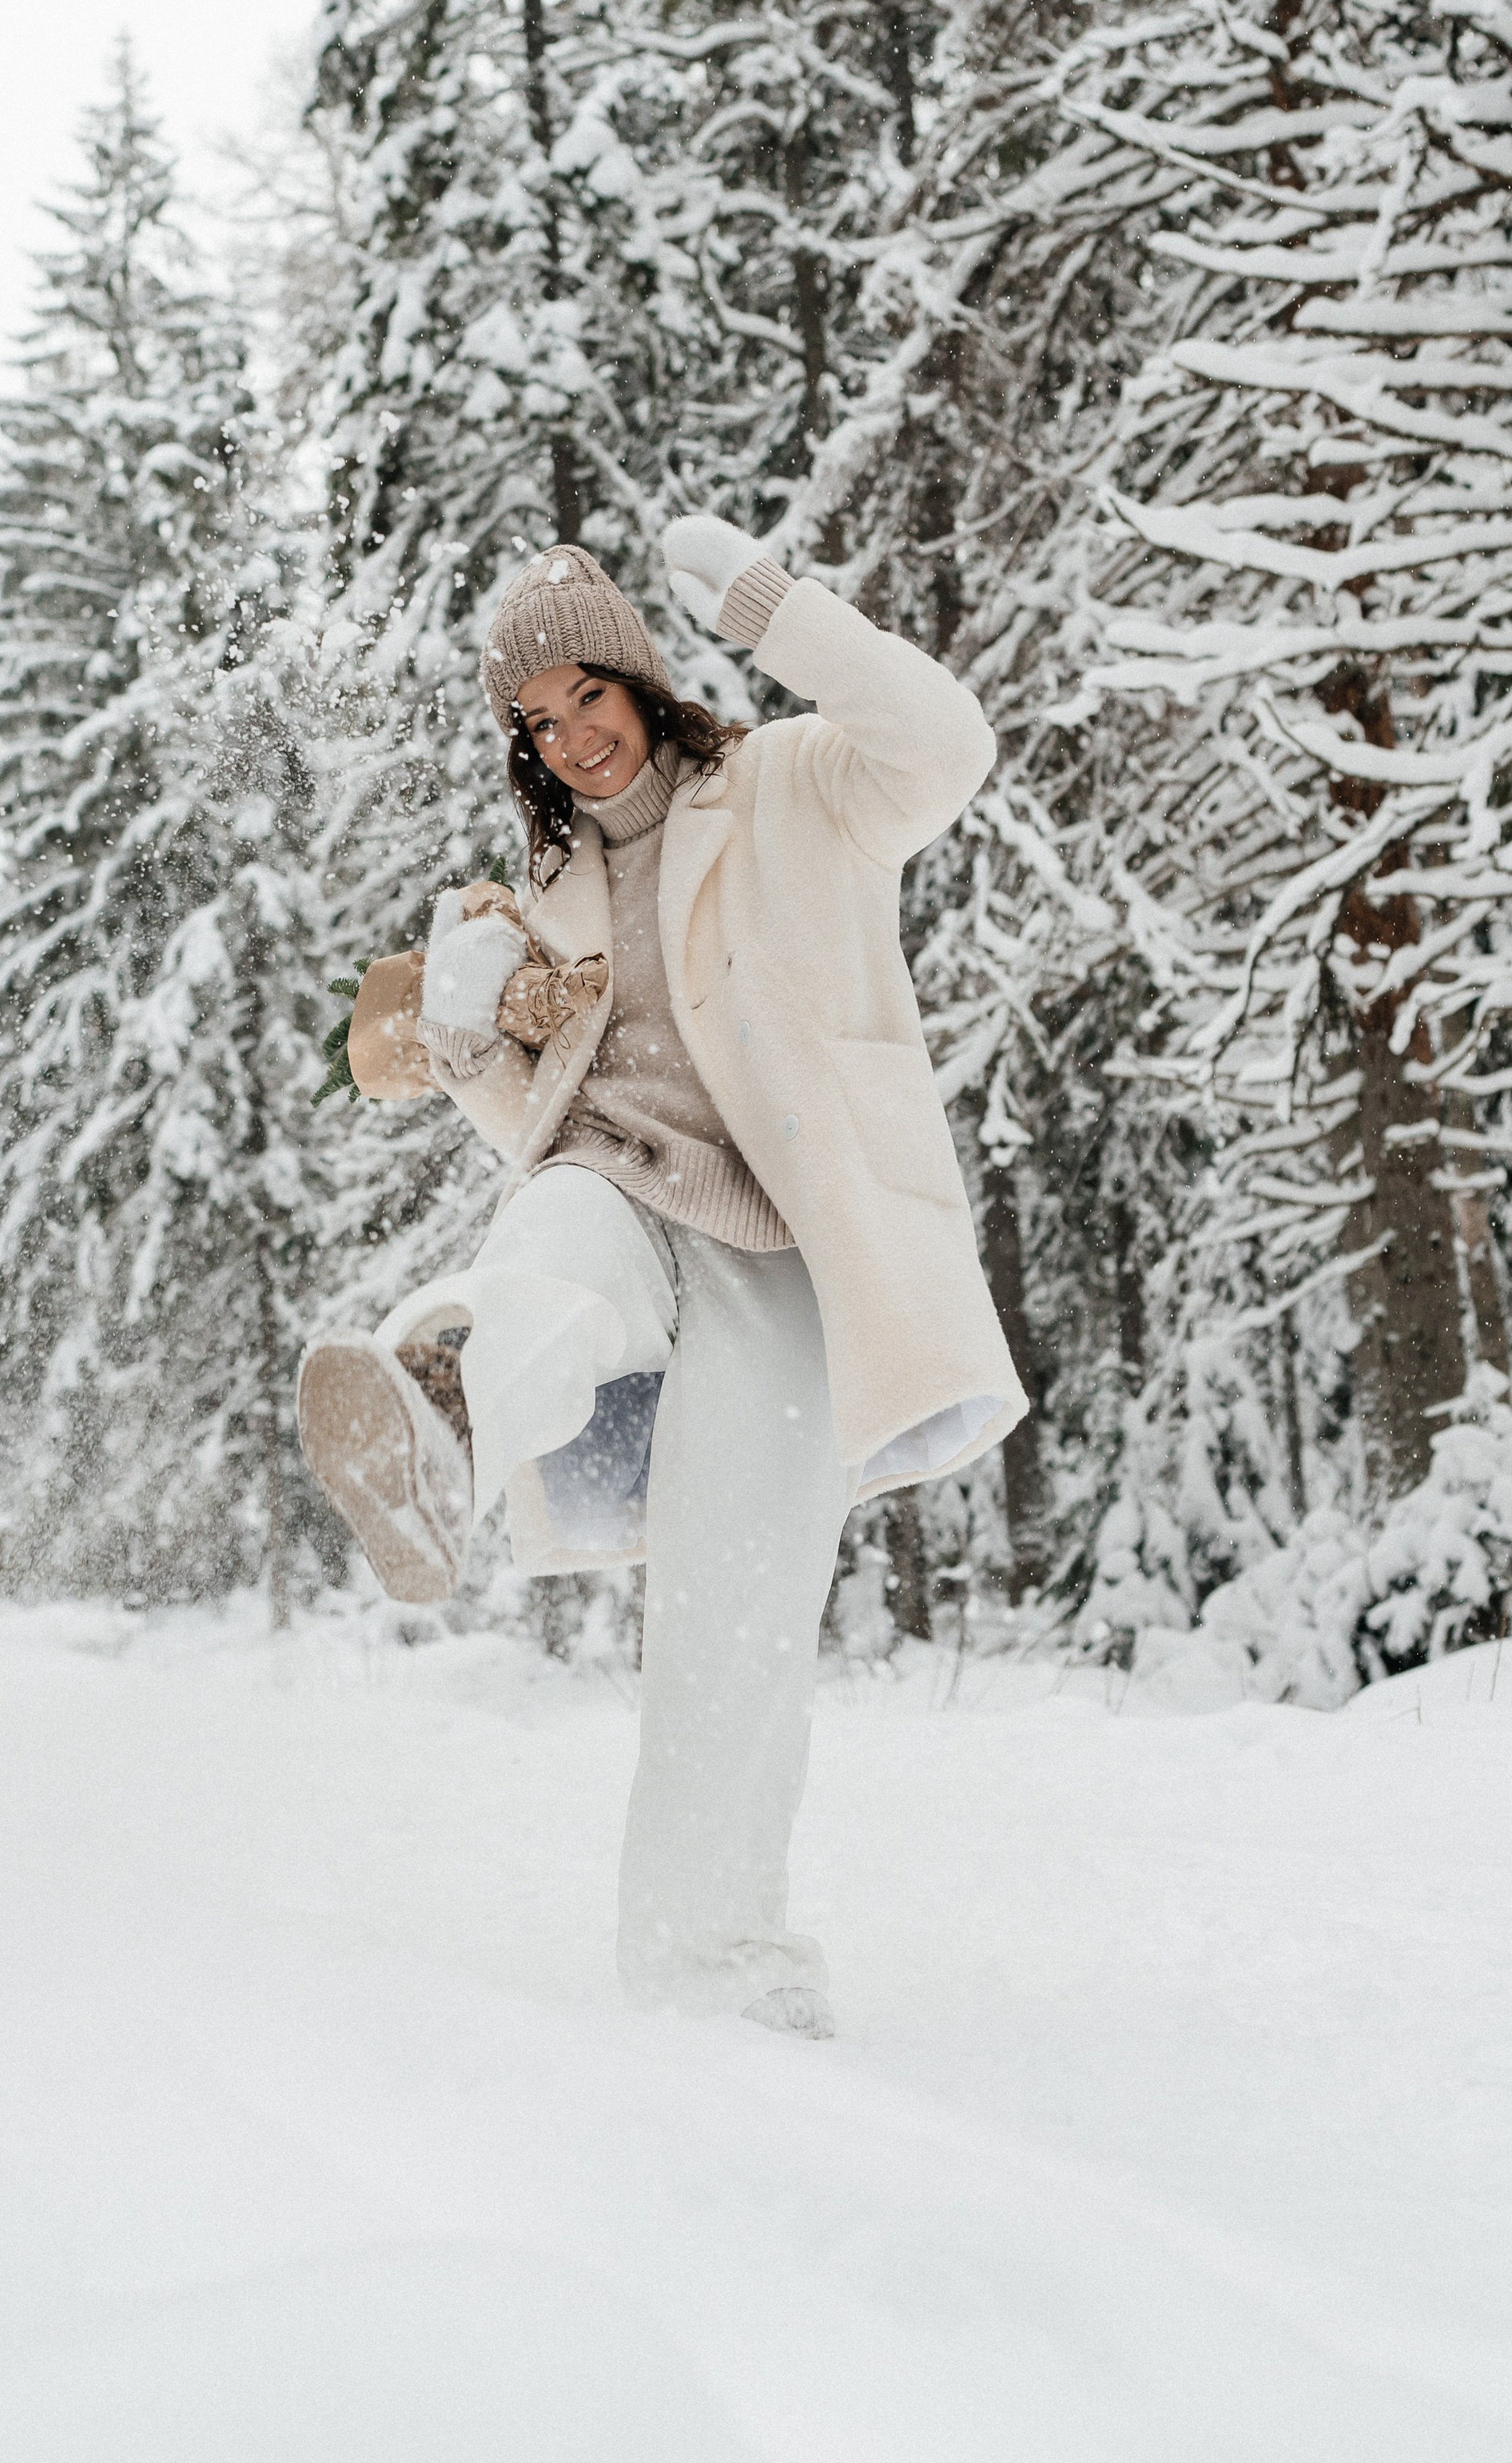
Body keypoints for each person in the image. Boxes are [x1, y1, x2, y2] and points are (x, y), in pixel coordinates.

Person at [296, 514, 1026, 2036]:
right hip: (612, 1192)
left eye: (587, 700)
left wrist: (774, 605)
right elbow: (535, 1128)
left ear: (638, 677)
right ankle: (441, 1417)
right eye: (537, 725)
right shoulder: (536, 902)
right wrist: (466, 1037)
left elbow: (945, 743)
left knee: (732, 1634)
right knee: (547, 1257)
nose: (572, 743)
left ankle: (722, 1984)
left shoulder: (791, 790)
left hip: (786, 1256)